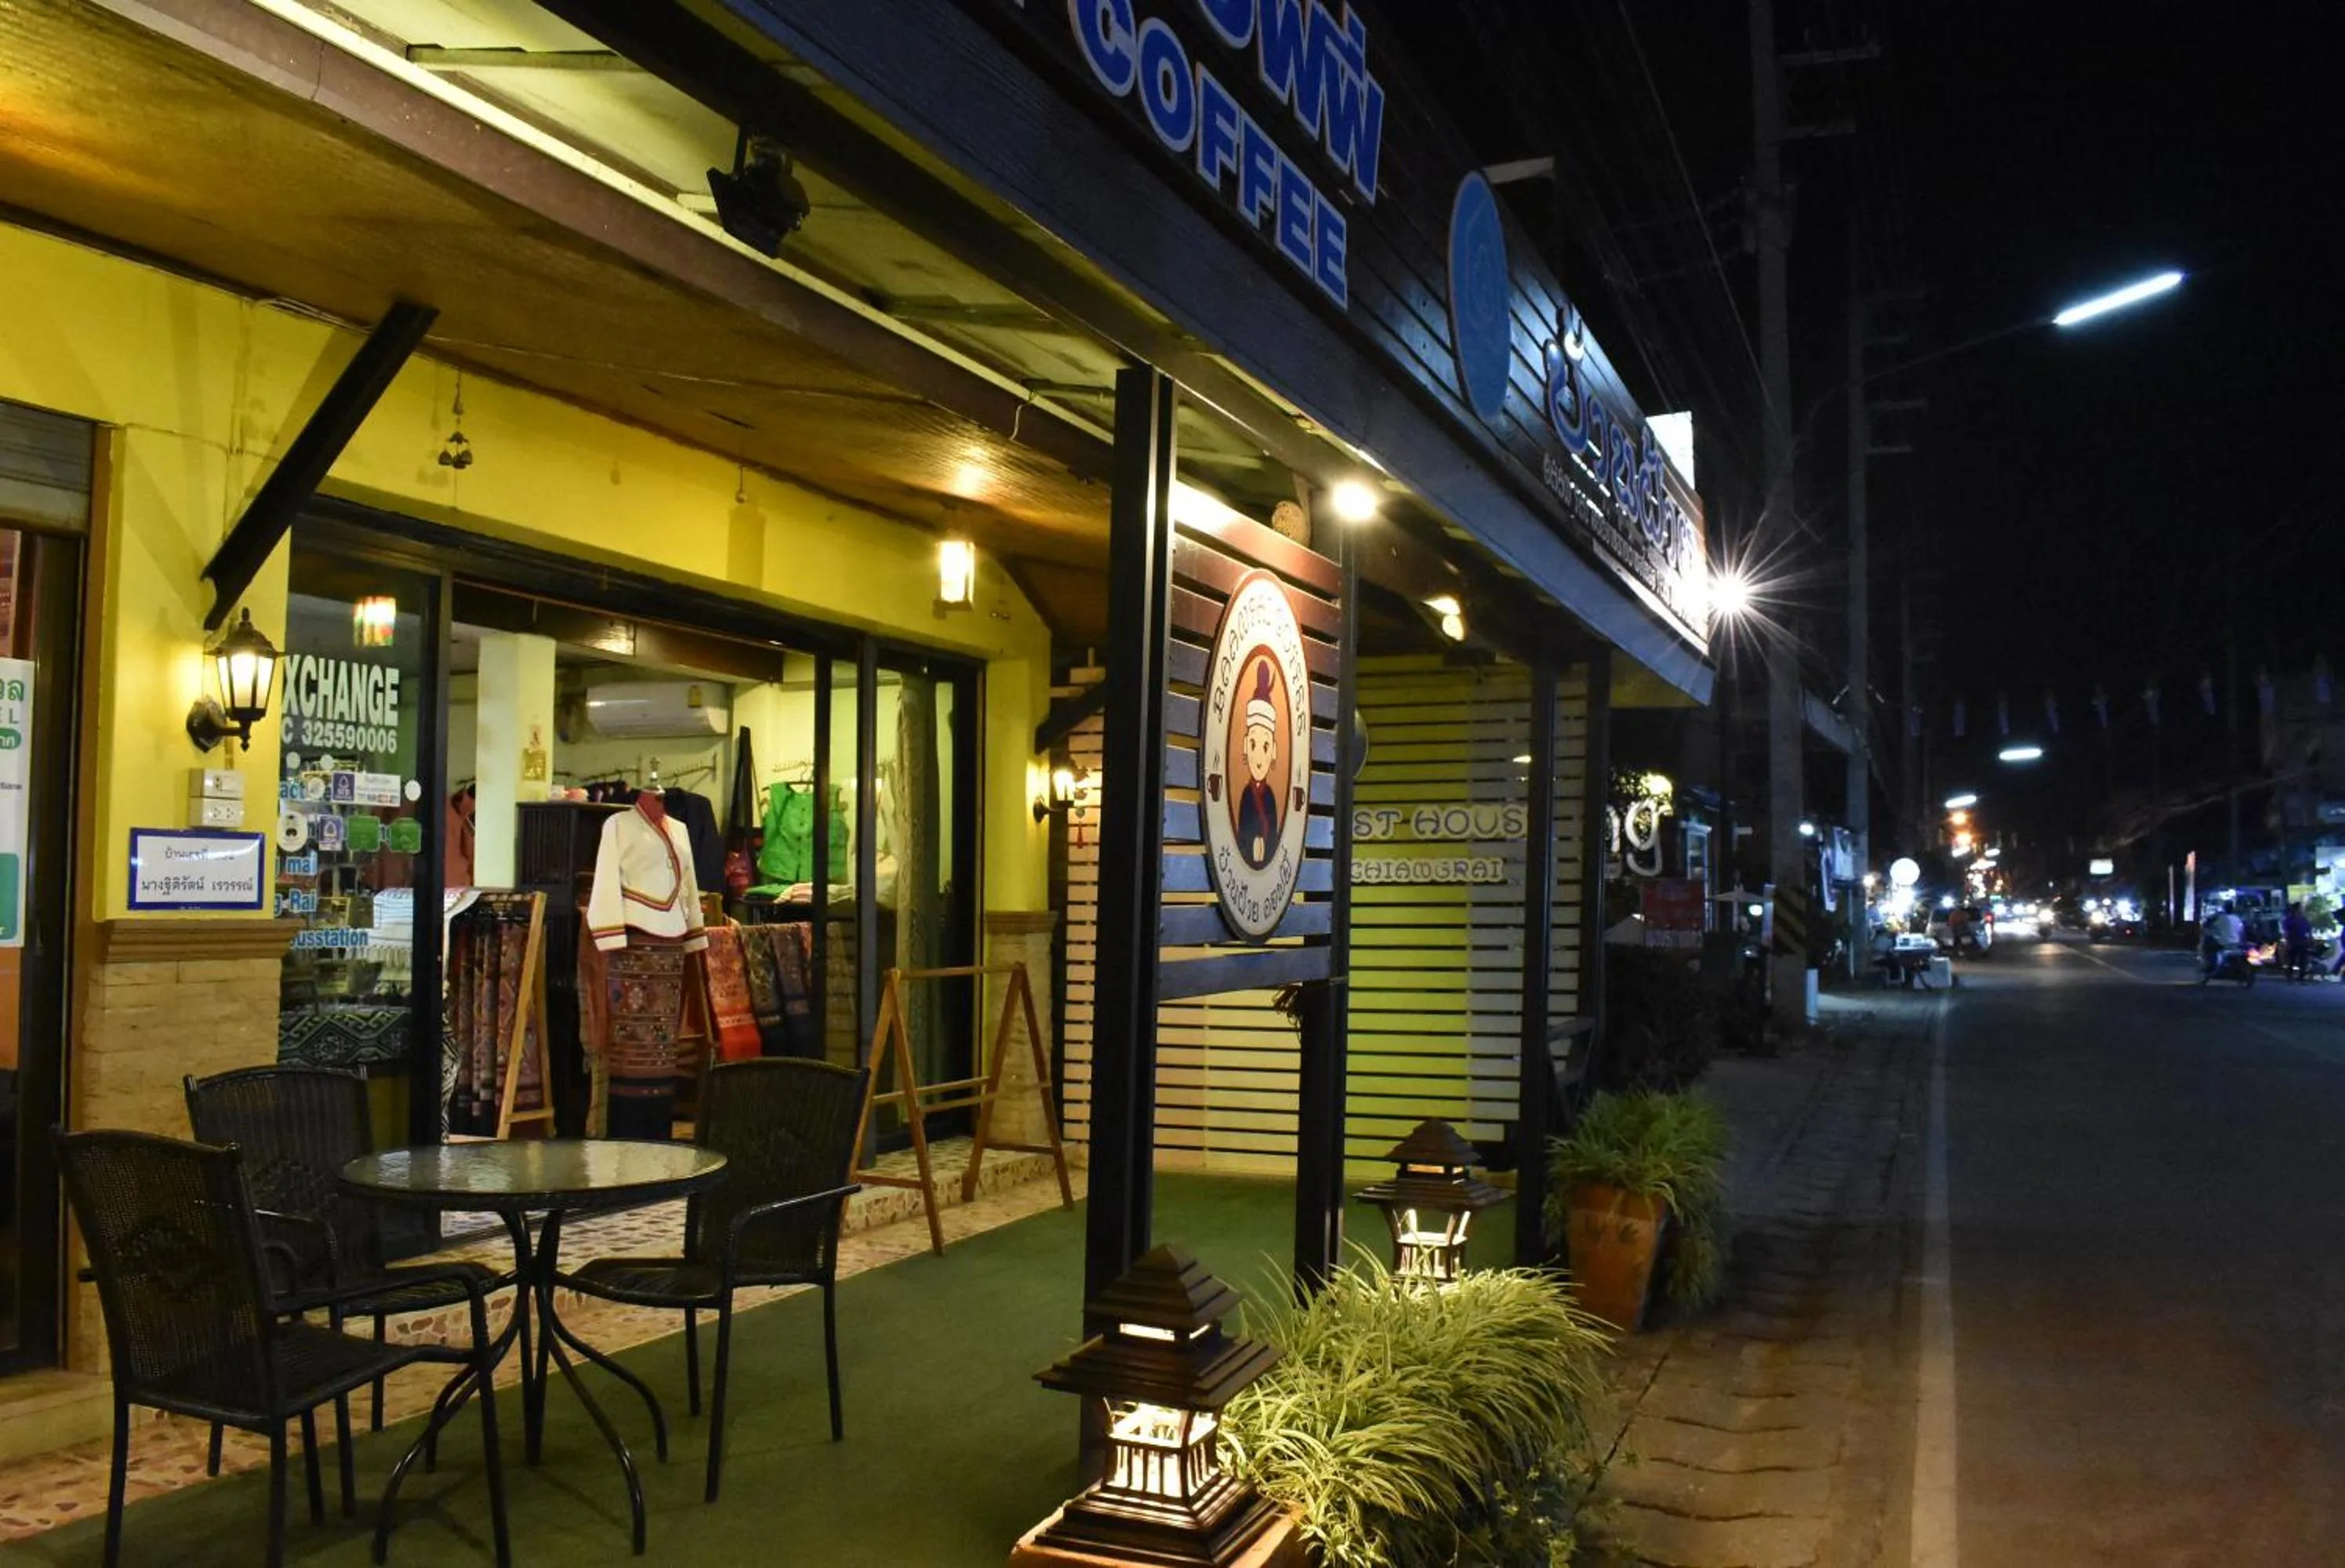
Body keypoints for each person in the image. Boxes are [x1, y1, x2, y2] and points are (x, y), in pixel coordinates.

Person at [2202, 902, 2245, 976]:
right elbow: (2241, 931)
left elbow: (2211, 926)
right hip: (2236, 942)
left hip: (2223, 942)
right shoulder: (2237, 919)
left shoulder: (2221, 918)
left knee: (2210, 948)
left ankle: (2211, 966)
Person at [2283, 902, 2314, 981]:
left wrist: (2310, 939)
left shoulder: (2302, 919)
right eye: (2300, 908)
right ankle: (2290, 976)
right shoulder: (2291, 919)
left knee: (2302, 960)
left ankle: (2300, 976)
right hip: (2294, 942)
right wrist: (2287, 941)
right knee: (2292, 960)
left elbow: (2309, 931)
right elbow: (2286, 931)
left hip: (2302, 942)